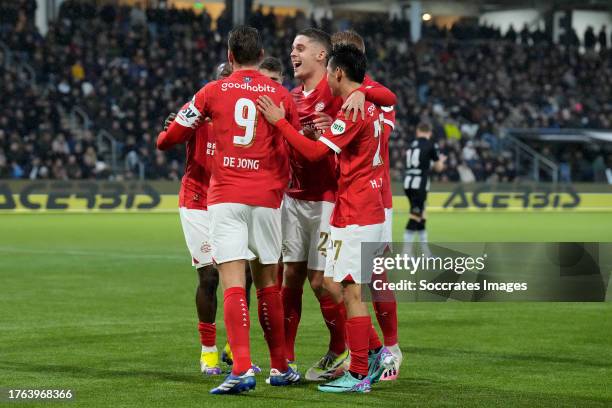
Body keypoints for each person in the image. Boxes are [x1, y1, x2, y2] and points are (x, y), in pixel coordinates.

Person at [161, 25, 300, 394]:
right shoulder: (281, 95)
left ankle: (240, 369)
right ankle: (281, 368)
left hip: (226, 197)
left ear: (230, 56)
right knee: (269, 283)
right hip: (267, 199)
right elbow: (297, 145)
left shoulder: (212, 91)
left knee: (232, 281)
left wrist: (166, 135)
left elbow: (171, 137)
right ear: (261, 56)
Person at [257, 43, 393, 394]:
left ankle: (360, 371)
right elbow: (342, 155)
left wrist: (280, 124)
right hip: (359, 208)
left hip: (358, 211)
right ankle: (375, 352)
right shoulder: (370, 106)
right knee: (333, 284)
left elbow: (315, 153)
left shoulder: (352, 110)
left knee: (350, 292)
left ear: (336, 72)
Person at [157, 62, 261, 376]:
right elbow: (168, 137)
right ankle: (208, 351)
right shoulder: (197, 116)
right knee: (210, 277)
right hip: (198, 201)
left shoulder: (246, 120)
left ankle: (235, 348)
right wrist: (172, 125)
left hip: (232, 199)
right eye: (221, 81)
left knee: (246, 275)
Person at [330, 29, 402, 382]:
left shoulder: (372, 95)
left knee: (371, 277)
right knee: (341, 282)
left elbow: (385, 119)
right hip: (345, 198)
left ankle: (389, 350)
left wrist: (361, 91)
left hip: (374, 199)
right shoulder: (344, 92)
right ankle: (364, 352)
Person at [403, 122, 446, 257]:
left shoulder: (411, 145)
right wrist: (441, 161)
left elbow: (419, 162)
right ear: (429, 133)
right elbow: (439, 168)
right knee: (415, 216)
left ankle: (426, 253)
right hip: (419, 184)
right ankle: (405, 254)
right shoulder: (431, 144)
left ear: (417, 131)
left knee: (422, 216)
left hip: (408, 182)